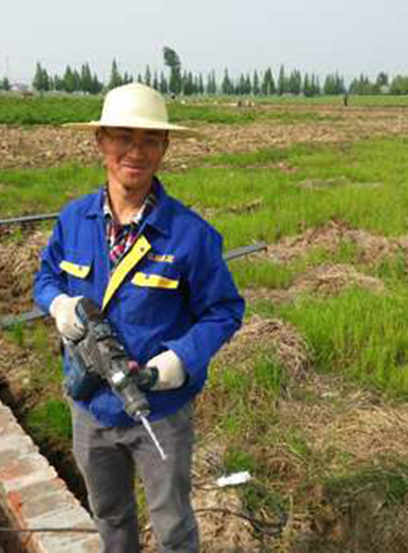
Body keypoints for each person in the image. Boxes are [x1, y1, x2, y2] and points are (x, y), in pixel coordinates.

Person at [33, 83, 245, 552]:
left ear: (165, 148)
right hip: (89, 407)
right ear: (101, 141)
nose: (136, 151)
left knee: (172, 527)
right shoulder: (73, 220)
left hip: (161, 412)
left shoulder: (190, 235)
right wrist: (58, 305)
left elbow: (226, 310)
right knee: (110, 516)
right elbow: (45, 277)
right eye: (123, 137)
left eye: (150, 140)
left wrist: (181, 360)